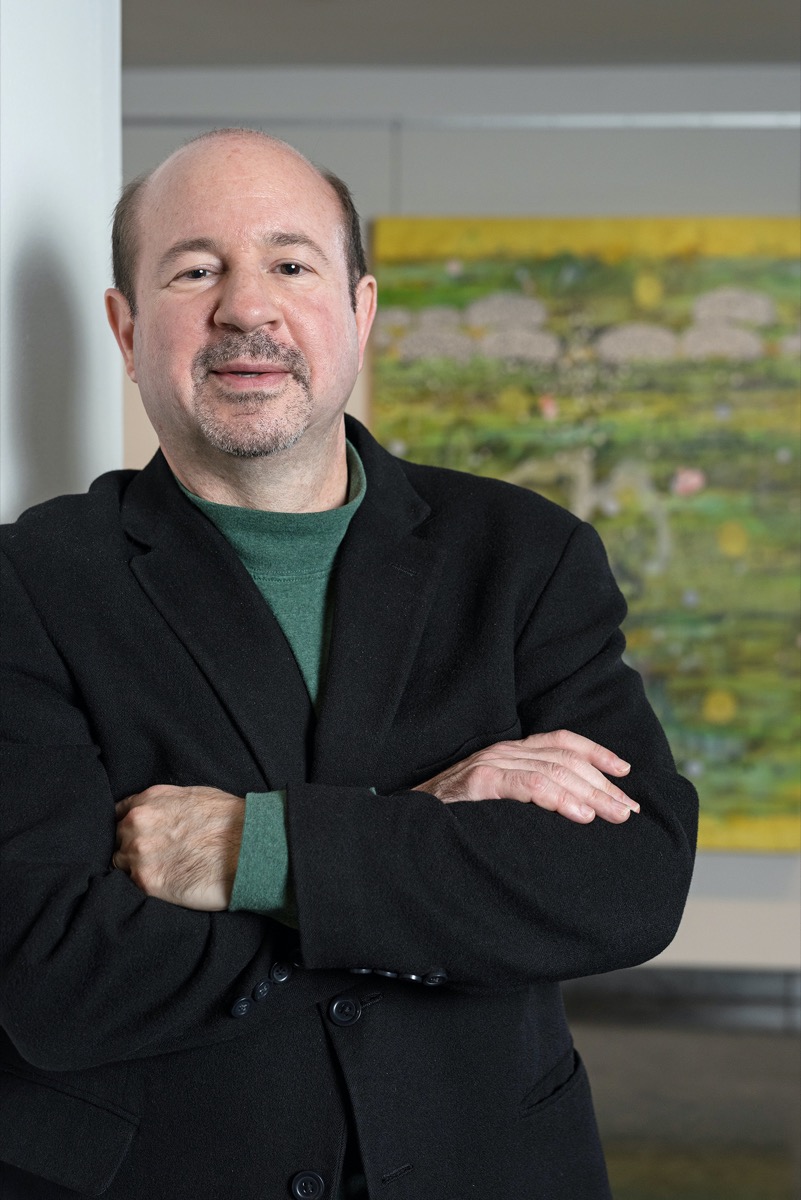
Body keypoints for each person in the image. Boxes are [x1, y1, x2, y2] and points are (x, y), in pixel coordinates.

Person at [0, 128, 697, 1200]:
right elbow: (52, 972)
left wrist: (258, 850)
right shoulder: (30, 583)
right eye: (195, 271)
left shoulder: (524, 555)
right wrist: (424, 829)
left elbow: (626, 882)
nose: (247, 307)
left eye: (291, 264)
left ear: (360, 311)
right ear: (127, 330)